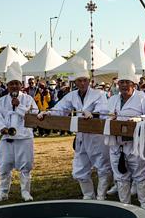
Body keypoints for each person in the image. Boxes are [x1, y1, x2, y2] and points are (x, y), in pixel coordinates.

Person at [39, 59, 113, 200]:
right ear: (76, 82)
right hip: (81, 136)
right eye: (80, 81)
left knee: (102, 167)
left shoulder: (99, 94)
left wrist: (93, 114)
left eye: (85, 80)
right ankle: (88, 195)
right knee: (79, 168)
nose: (83, 83)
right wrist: (48, 112)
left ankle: (101, 196)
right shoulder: (72, 95)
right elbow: (60, 108)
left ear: (89, 81)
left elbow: (104, 110)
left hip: (96, 136)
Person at [106, 62, 145, 210]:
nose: (124, 86)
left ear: (133, 84)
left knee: (140, 177)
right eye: (121, 82)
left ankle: (144, 205)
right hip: (117, 145)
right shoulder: (112, 100)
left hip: (135, 145)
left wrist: (140, 118)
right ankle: (125, 206)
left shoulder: (142, 98)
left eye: (127, 83)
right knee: (121, 177)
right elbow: (103, 117)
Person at [0, 62, 38, 202]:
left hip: (24, 137)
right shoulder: (1, 101)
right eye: (11, 83)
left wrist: (19, 107)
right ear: (8, 85)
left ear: (21, 85)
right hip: (6, 138)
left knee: (25, 166)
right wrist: (3, 129)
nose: (14, 86)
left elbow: (34, 116)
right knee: (4, 165)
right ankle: (3, 192)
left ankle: (25, 192)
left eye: (16, 83)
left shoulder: (28, 99)